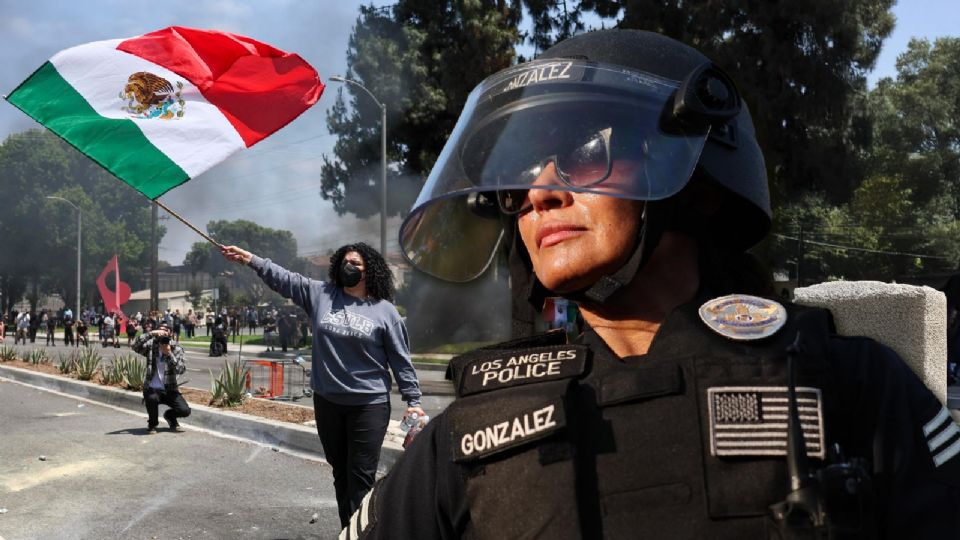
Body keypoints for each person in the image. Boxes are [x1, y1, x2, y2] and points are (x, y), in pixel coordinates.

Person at [337, 30, 960, 539]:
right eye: (518, 176)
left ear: (700, 182)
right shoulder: (471, 431)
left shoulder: (852, 386)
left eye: (584, 149)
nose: (538, 194)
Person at [220, 241, 424, 529]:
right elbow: (284, 278)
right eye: (344, 262)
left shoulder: (384, 311)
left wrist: (413, 400)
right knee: (340, 473)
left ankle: (362, 534)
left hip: (369, 405)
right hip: (328, 403)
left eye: (356, 264)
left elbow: (400, 359)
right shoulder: (321, 295)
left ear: (370, 272)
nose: (348, 267)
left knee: (361, 477)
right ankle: (349, 529)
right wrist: (250, 259)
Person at [132, 322, 189, 434]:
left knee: (185, 411)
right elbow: (134, 345)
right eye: (160, 329)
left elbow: (181, 370)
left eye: (166, 330)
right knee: (151, 398)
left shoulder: (177, 348)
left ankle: (170, 416)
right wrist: (150, 333)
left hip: (170, 389)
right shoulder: (151, 346)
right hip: (152, 388)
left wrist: (169, 354)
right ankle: (152, 424)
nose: (163, 332)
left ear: (170, 333)